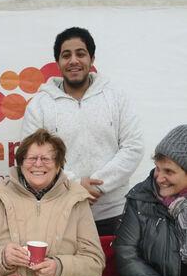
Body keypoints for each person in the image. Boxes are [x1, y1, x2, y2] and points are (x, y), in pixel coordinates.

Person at [21, 27, 144, 236]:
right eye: (66, 55)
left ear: (92, 58)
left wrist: (99, 185)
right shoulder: (40, 104)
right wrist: (76, 186)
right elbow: (31, 158)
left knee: (116, 269)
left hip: (113, 212)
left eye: (81, 53)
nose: (73, 61)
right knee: (66, 269)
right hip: (61, 211)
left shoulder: (116, 96)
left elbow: (133, 146)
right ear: (58, 62)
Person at [0, 129, 105, 276]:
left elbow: (94, 262)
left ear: (59, 164)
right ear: (21, 163)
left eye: (46, 158)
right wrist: (3, 257)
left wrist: (60, 268)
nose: (38, 164)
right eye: (31, 158)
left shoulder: (77, 198)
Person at [114, 125, 187, 276]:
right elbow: (126, 253)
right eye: (157, 167)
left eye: (169, 171)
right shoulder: (140, 197)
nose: (159, 177)